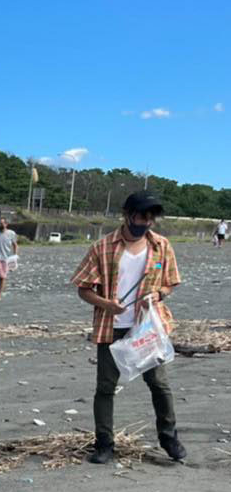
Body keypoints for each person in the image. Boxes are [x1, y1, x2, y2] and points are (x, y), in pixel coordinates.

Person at [70, 191, 186, 465]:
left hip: (146, 328)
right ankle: (105, 443)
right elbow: (83, 289)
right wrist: (106, 304)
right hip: (111, 327)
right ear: (127, 214)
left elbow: (171, 282)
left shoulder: (161, 245)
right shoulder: (103, 247)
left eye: (151, 218)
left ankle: (169, 437)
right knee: (106, 387)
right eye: (142, 216)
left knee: (159, 384)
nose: (146, 222)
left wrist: (160, 294)